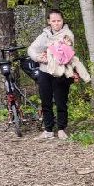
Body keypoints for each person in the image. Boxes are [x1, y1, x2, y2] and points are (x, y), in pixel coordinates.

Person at [28, 9, 77, 140]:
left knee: (61, 101)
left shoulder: (67, 34)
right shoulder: (44, 35)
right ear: (49, 22)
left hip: (60, 72)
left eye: (59, 20)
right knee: (46, 101)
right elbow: (31, 49)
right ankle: (48, 130)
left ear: (63, 21)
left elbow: (65, 54)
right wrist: (39, 57)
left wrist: (49, 52)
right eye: (53, 21)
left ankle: (61, 129)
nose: (56, 23)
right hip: (45, 71)